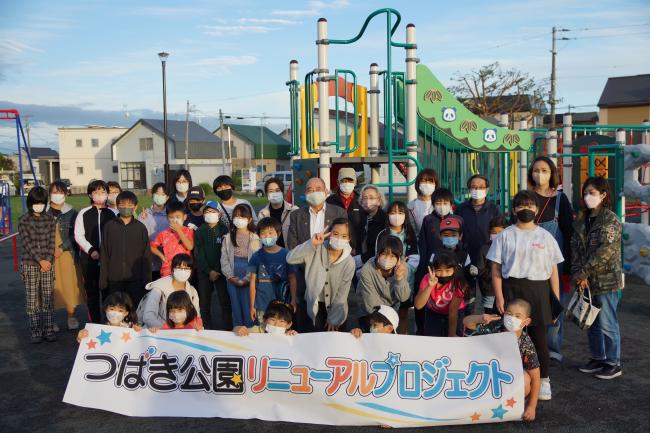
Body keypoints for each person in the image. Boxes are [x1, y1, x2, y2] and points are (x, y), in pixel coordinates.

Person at [488, 190, 563, 401]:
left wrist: (555, 301)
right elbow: (496, 268)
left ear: (537, 210)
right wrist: (500, 297)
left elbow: (553, 272)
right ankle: (505, 378)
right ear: (514, 209)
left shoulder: (546, 237)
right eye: (521, 206)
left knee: (539, 338)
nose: (526, 209)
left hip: (539, 291)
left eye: (530, 206)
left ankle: (544, 380)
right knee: (506, 336)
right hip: (511, 289)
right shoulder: (505, 235)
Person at [572, 176, 623, 380]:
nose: (587, 197)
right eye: (586, 192)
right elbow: (574, 247)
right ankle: (598, 357)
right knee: (591, 320)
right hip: (585, 280)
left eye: (592, 193)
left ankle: (613, 362)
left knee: (608, 322)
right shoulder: (581, 219)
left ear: (603, 195)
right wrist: (578, 273)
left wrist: (584, 271)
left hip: (606, 280)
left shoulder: (610, 219)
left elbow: (606, 251)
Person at [528, 156, 573, 363]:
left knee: (555, 304)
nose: (540, 174)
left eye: (544, 170)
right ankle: (531, 347)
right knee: (530, 305)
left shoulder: (560, 200)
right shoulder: (525, 197)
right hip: (529, 263)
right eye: (536, 170)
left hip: (556, 263)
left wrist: (568, 268)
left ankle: (553, 347)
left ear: (552, 173)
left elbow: (569, 232)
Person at [464, 299, 540, 421]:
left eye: (517, 316)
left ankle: (512, 403)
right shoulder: (495, 326)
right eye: (509, 313)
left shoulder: (526, 343)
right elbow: (467, 322)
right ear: (504, 313)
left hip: (507, 378)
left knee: (526, 379)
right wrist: (481, 318)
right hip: (485, 374)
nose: (511, 318)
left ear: (526, 321)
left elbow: (536, 378)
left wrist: (532, 407)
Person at [287, 217, 355, 332]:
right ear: (330, 233)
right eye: (335, 234)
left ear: (349, 238)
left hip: (336, 309)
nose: (339, 239)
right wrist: (311, 244)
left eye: (344, 236)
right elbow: (290, 258)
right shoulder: (316, 249)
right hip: (313, 306)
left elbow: (342, 294)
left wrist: (333, 318)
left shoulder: (349, 262)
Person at [99, 191, 152, 307]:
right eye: (122, 204)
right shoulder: (109, 227)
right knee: (115, 310)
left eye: (130, 205)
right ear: (117, 206)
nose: (126, 207)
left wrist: (147, 280)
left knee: (134, 310)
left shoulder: (140, 228)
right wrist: (103, 279)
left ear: (135, 206)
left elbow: (146, 255)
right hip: (114, 278)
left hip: (135, 279)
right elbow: (104, 254)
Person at [19, 186, 57, 343]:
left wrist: (47, 260)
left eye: (42, 202)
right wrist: (40, 260)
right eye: (36, 202)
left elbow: (52, 242)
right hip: (30, 264)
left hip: (48, 264)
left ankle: (48, 329)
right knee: (32, 299)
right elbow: (27, 243)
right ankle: (35, 330)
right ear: (30, 203)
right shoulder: (23, 220)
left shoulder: (50, 220)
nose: (39, 205)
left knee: (48, 298)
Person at [74, 179, 115, 322]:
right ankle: (95, 323)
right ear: (90, 195)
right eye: (96, 192)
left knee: (108, 292)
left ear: (107, 194)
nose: (99, 195)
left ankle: (109, 322)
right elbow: (78, 235)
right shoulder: (83, 213)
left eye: (103, 192)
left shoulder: (113, 213)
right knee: (92, 294)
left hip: (108, 261)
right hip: (89, 260)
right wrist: (91, 250)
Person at [376, 200, 419, 333]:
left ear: (405, 215)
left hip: (406, 279)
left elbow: (415, 257)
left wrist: (403, 267)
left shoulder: (410, 234)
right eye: (393, 212)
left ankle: (402, 338)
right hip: (387, 278)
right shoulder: (382, 234)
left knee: (403, 312)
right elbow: (377, 256)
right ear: (387, 215)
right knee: (387, 314)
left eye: (400, 212)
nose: (396, 215)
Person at [46, 180, 84, 331]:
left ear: (66, 194)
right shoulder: (43, 212)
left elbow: (76, 235)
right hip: (47, 255)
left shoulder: (72, 212)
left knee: (69, 286)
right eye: (55, 192)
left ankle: (71, 317)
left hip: (67, 254)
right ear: (49, 193)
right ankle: (51, 320)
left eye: (61, 192)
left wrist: (62, 248)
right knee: (50, 287)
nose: (57, 195)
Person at [248, 217, 298, 322]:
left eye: (271, 233)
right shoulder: (256, 256)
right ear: (259, 236)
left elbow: (292, 278)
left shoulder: (287, 254)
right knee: (263, 331)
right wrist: (252, 305)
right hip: (262, 305)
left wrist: (293, 300)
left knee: (281, 330)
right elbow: (252, 282)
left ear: (278, 234)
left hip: (282, 304)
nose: (267, 236)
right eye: (263, 234)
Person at [358, 236, 410, 333]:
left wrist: (399, 279)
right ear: (378, 254)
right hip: (369, 311)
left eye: (392, 256)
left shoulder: (403, 268)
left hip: (392, 310)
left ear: (399, 257)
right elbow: (371, 304)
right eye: (384, 254)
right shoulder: (367, 269)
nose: (387, 259)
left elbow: (403, 298)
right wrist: (382, 325)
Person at [221, 203, 261, 328]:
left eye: (242, 216)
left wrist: (247, 279)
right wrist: (230, 276)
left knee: (249, 304)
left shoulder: (255, 238)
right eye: (236, 216)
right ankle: (237, 330)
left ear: (249, 220)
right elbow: (224, 259)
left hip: (249, 274)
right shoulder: (228, 238)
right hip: (233, 273)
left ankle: (251, 331)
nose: (239, 219)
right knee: (235, 305)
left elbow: (256, 261)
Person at [194, 200, 231, 330]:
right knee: (204, 304)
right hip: (204, 273)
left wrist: (216, 270)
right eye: (207, 212)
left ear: (219, 214)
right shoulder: (200, 231)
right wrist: (209, 271)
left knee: (224, 302)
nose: (210, 214)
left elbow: (225, 252)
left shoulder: (224, 230)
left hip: (221, 272)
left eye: (213, 211)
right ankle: (206, 329)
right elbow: (199, 253)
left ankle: (228, 329)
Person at [140, 253, 201, 328]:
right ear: (172, 270)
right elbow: (148, 316)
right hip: (160, 332)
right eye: (179, 267)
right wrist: (167, 330)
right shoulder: (159, 288)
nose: (182, 271)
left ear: (191, 271)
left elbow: (196, 316)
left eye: (186, 268)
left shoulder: (192, 292)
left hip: (184, 333)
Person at [414, 251, 467, 337]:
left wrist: (452, 334)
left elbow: (453, 311)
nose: (443, 274)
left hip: (455, 313)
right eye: (439, 270)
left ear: (455, 269)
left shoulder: (459, 282)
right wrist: (429, 286)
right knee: (432, 340)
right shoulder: (427, 278)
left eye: (448, 270)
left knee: (454, 340)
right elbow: (418, 305)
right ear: (433, 269)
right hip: (433, 313)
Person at [286, 177, 347, 249]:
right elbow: (292, 245)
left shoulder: (339, 213)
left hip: (330, 259)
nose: (314, 192)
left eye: (318, 189)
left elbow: (344, 240)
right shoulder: (296, 215)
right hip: (304, 259)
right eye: (310, 190)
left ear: (326, 191)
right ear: (305, 193)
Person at [454, 174, 502, 266]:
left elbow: (500, 231)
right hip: (465, 255)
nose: (477, 190)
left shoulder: (494, 209)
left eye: (481, 187)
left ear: (487, 190)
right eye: (474, 187)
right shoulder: (461, 209)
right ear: (469, 189)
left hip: (488, 256)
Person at [326, 168, 366, 255]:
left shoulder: (361, 200)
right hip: (334, 247)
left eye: (350, 180)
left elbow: (362, 228)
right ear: (338, 182)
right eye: (343, 180)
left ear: (355, 182)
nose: (347, 183)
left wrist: (355, 247)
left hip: (356, 250)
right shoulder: (330, 201)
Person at [150, 200, 194, 277]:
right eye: (171, 217)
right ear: (167, 218)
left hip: (183, 269)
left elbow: (190, 246)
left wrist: (179, 231)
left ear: (184, 217)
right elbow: (152, 246)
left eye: (178, 217)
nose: (174, 220)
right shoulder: (163, 233)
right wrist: (162, 257)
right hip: (167, 270)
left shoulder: (189, 231)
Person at [76, 291, 142, 342]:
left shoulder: (130, 328)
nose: (115, 313)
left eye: (120, 310)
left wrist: (139, 332)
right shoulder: (98, 330)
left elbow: (140, 343)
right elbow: (85, 344)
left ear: (126, 313)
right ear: (105, 309)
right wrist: (81, 337)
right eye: (112, 309)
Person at [476, 216, 509, 314]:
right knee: (490, 317)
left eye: (501, 232)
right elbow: (481, 270)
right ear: (489, 233)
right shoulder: (484, 249)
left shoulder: (511, 248)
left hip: (507, 291)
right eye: (494, 233)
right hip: (489, 291)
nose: (497, 235)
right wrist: (497, 275)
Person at [138, 182, 169, 281]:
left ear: (167, 197)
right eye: (157, 193)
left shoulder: (170, 215)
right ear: (152, 195)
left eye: (163, 194)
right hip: (149, 263)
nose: (159, 196)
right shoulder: (144, 215)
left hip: (166, 263)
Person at [257, 176, 298, 248]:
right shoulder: (262, 214)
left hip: (289, 254)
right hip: (269, 254)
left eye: (277, 190)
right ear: (266, 194)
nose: (274, 193)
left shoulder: (294, 210)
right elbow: (260, 237)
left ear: (283, 192)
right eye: (271, 191)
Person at [359, 185, 389, 263]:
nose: (367, 201)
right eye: (365, 198)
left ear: (379, 201)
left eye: (371, 198)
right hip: (359, 258)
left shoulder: (385, 219)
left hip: (377, 260)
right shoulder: (359, 217)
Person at [234, 300, 299, 336]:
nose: (276, 325)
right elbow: (234, 330)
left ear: (289, 325)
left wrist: (294, 337)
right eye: (272, 320)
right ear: (264, 320)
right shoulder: (258, 330)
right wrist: (238, 329)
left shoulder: (289, 335)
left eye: (281, 321)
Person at [407, 168, 439, 235]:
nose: (427, 184)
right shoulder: (410, 207)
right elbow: (412, 232)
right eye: (423, 181)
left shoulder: (442, 204)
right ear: (418, 184)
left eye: (430, 181)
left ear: (435, 184)